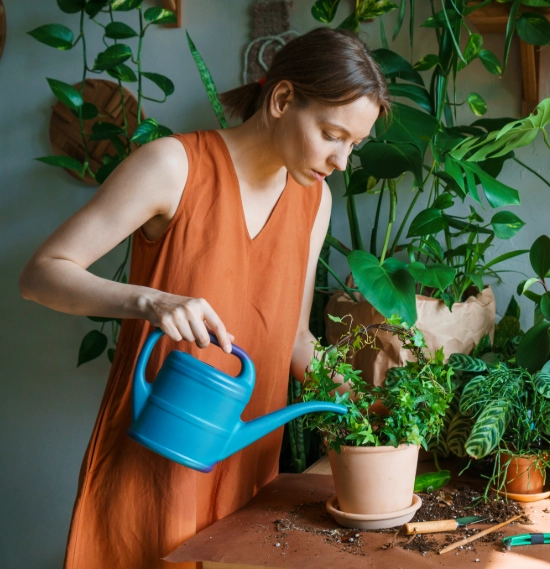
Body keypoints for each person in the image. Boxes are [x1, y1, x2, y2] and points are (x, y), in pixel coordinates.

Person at [18, 27, 390, 569]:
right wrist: (152, 302)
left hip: (248, 466)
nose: (341, 160)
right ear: (282, 100)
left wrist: (364, 402)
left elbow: (292, 335)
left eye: (353, 145)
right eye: (333, 134)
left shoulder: (316, 202)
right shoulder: (172, 166)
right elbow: (41, 274)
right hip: (157, 462)